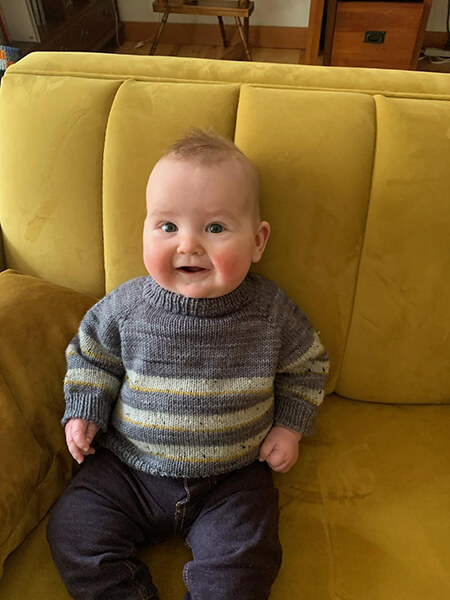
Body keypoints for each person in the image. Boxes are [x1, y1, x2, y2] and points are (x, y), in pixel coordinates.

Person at [47, 129, 329, 600]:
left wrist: (289, 427)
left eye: (215, 228)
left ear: (258, 241)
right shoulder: (127, 306)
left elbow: (307, 366)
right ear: (144, 230)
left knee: (246, 562)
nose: (189, 245)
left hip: (233, 478)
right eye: (167, 226)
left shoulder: (271, 312)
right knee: (74, 532)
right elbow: (91, 354)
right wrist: (85, 409)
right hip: (128, 469)